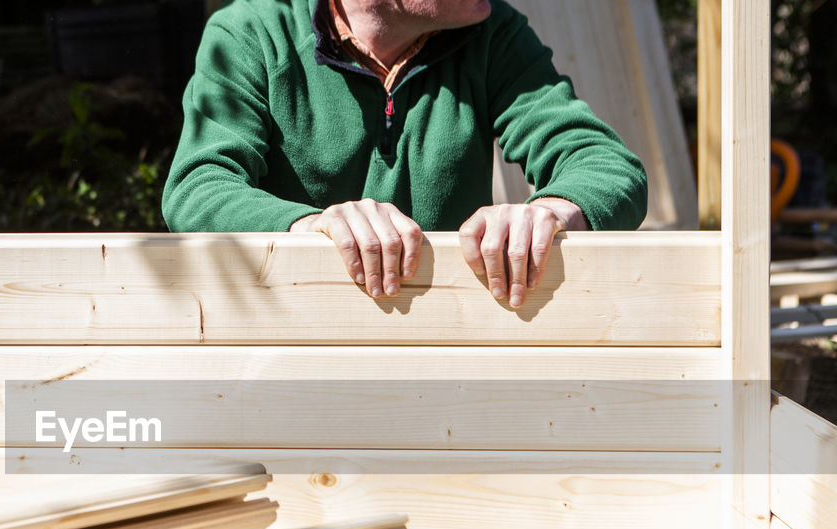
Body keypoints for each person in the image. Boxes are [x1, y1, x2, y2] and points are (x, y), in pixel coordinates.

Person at [161, 0, 648, 308]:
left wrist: (548, 213)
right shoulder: (249, 32)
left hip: (453, 362)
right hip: (291, 358)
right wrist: (316, 225)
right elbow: (198, 186)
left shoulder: (495, 33)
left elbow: (605, 164)